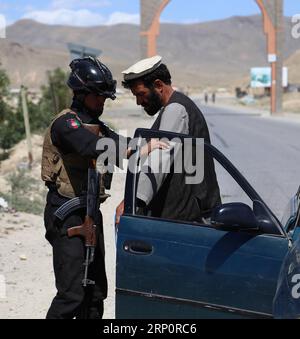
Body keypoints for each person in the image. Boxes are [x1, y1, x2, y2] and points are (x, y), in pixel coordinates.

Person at [41, 56, 167, 319]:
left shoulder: (99, 127)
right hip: (66, 214)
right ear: (82, 93)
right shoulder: (67, 124)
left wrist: (149, 145)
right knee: (71, 294)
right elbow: (89, 146)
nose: (102, 102)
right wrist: (137, 148)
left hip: (90, 214)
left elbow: (122, 144)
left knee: (96, 292)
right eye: (98, 96)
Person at [116, 55, 221, 224]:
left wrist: (133, 202)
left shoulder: (176, 110)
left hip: (188, 220)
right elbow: (149, 146)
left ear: (158, 85)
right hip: (183, 216)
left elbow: (159, 159)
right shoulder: (172, 108)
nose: (138, 102)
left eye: (141, 94)